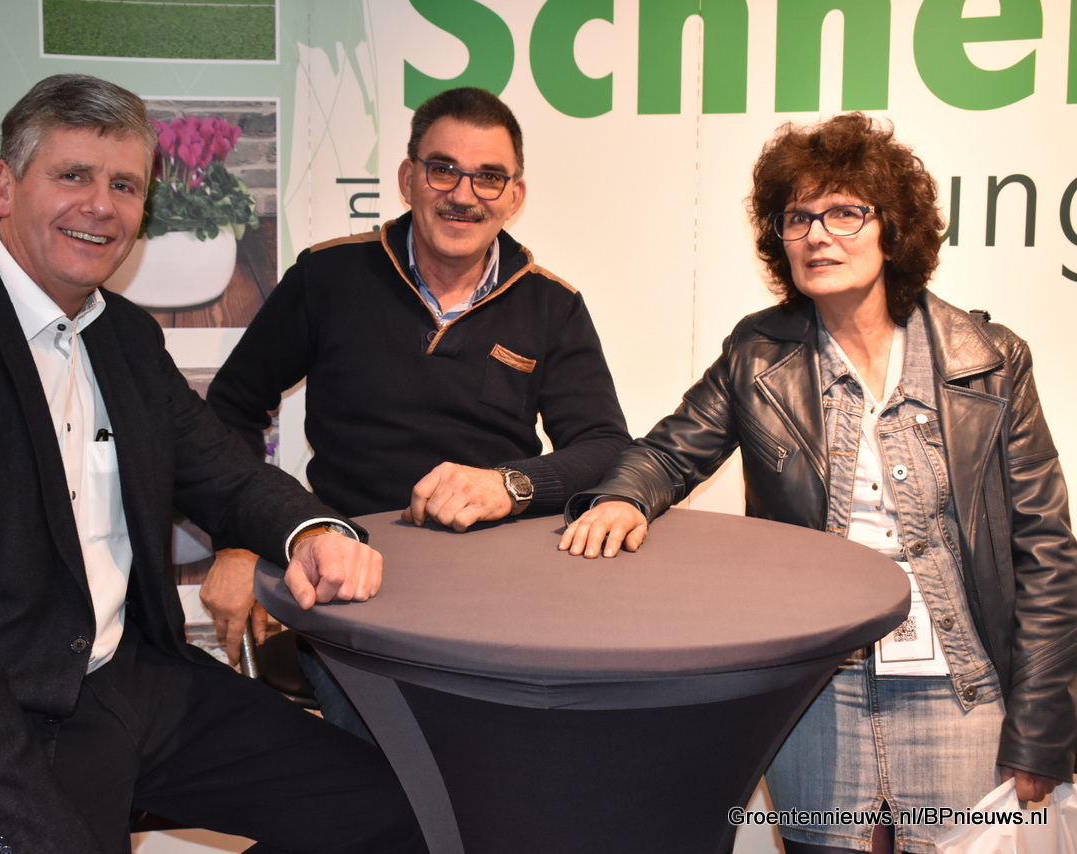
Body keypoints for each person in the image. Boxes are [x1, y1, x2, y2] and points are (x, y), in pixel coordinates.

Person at [0, 74, 426, 854]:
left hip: (130, 679)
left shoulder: (126, 337)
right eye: (72, 175)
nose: (100, 205)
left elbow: (226, 472)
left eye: (125, 185)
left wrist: (313, 531)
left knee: (394, 813)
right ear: (4, 187)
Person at [560, 113, 1077, 853]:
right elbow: (668, 454)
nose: (816, 235)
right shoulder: (757, 354)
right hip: (817, 696)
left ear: (893, 230)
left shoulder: (990, 359)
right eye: (797, 217)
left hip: (960, 694)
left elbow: (1047, 553)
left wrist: (1043, 727)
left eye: (844, 212)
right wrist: (620, 495)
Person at [202, 86, 629, 672]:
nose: (463, 195)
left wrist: (509, 485)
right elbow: (230, 408)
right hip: (346, 572)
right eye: (443, 170)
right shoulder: (328, 277)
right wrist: (237, 543)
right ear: (408, 179)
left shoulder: (552, 304)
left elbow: (606, 446)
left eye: (489, 177)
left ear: (514, 196)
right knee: (385, 719)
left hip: (498, 585)